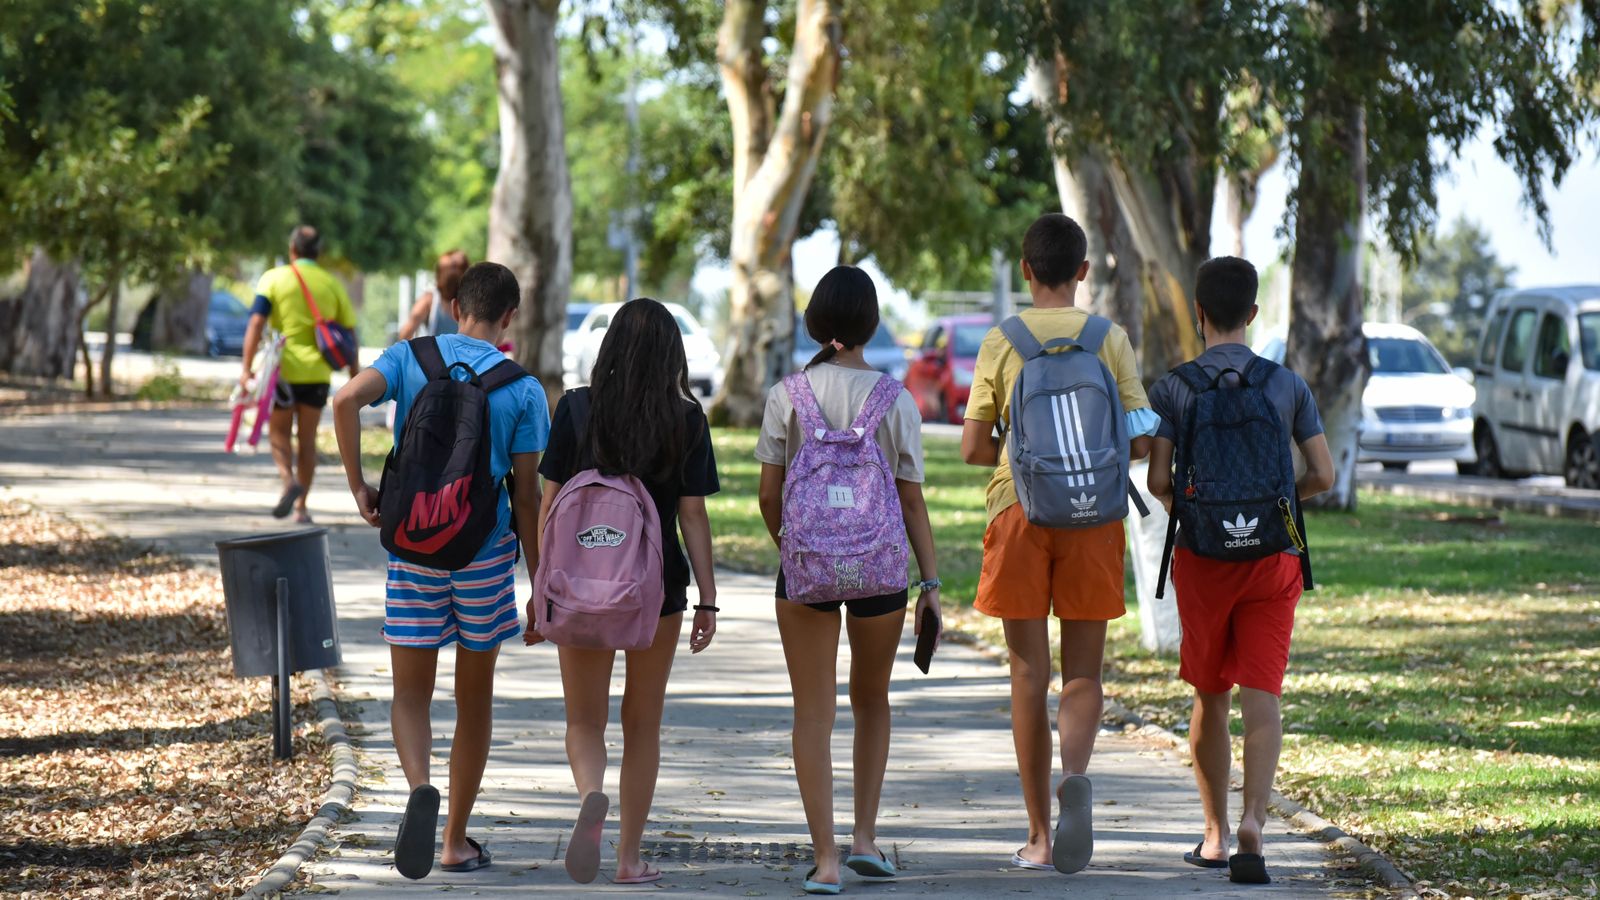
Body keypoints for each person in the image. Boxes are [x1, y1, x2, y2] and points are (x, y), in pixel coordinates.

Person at [330, 262, 550, 879]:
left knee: (410, 695)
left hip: (413, 549)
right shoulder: (524, 388)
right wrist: (539, 584)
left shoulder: (409, 357)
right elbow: (529, 496)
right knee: (473, 700)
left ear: (455, 306)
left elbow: (345, 400)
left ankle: (419, 785)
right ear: (510, 318)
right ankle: (453, 840)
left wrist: (360, 488)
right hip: (482, 557)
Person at [960, 213, 1157, 874]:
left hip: (1018, 510)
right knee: (1083, 673)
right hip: (1094, 516)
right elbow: (1137, 438)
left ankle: (1040, 836)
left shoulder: (1001, 340)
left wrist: (1013, 451)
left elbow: (972, 447)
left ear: (1025, 270)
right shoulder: (1111, 338)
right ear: (1082, 272)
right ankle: (1076, 773)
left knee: (1026, 675)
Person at [755, 266, 942, 896]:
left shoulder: (787, 395)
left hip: (804, 570)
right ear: (869, 324)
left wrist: (800, 549)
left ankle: (827, 861)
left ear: (816, 324)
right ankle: (865, 839)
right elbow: (912, 502)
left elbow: (768, 493)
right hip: (881, 573)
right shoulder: (896, 399)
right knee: (872, 702)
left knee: (813, 713)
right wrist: (932, 582)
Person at [1146, 256, 1333, 884]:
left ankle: (1215, 835)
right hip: (1272, 563)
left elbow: (1156, 480)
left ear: (1199, 314)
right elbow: (1324, 476)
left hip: (1203, 563)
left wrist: (1204, 516)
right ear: (1253, 314)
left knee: (1210, 694)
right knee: (1263, 696)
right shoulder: (1287, 386)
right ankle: (1255, 818)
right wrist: (1272, 511)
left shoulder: (1174, 387)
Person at [526, 297, 719, 886]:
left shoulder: (577, 409)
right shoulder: (686, 418)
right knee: (643, 724)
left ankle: (591, 793)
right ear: (672, 355)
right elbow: (693, 517)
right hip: (654, 591)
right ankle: (629, 858)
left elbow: (549, 503)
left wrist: (540, 585)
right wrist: (707, 599)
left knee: (584, 722)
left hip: (578, 583)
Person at [241, 225, 360, 524]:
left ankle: (288, 481)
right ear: (317, 252)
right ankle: (302, 507)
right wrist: (355, 374)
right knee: (307, 441)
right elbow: (349, 332)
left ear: (292, 249)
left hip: (285, 373)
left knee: (279, 431)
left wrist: (246, 369)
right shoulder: (331, 284)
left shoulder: (273, 278)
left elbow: (256, 322)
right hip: (318, 372)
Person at [398, 250, 470, 341]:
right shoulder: (429, 300)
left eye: (456, 266)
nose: (453, 272)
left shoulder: (471, 302)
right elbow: (405, 334)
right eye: (451, 267)